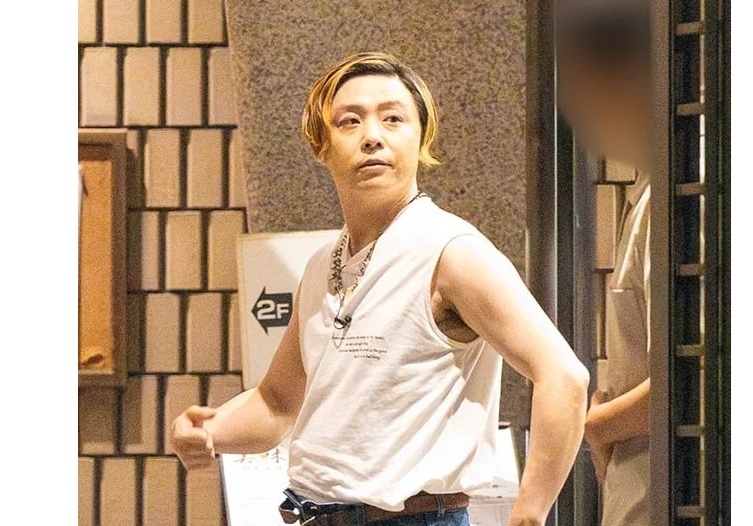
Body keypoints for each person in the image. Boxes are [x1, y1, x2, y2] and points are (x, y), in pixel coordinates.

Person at [171, 52, 589, 526]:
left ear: (421, 137)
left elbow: (564, 377)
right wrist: (209, 431)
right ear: (321, 145)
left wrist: (529, 516)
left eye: (393, 118)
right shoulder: (322, 264)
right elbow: (277, 402)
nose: (372, 136)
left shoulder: (453, 251)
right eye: (349, 121)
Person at [556, 0, 652, 525]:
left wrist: (598, 424)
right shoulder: (653, 189)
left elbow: (702, 372)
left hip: (667, 491)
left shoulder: (685, 197)